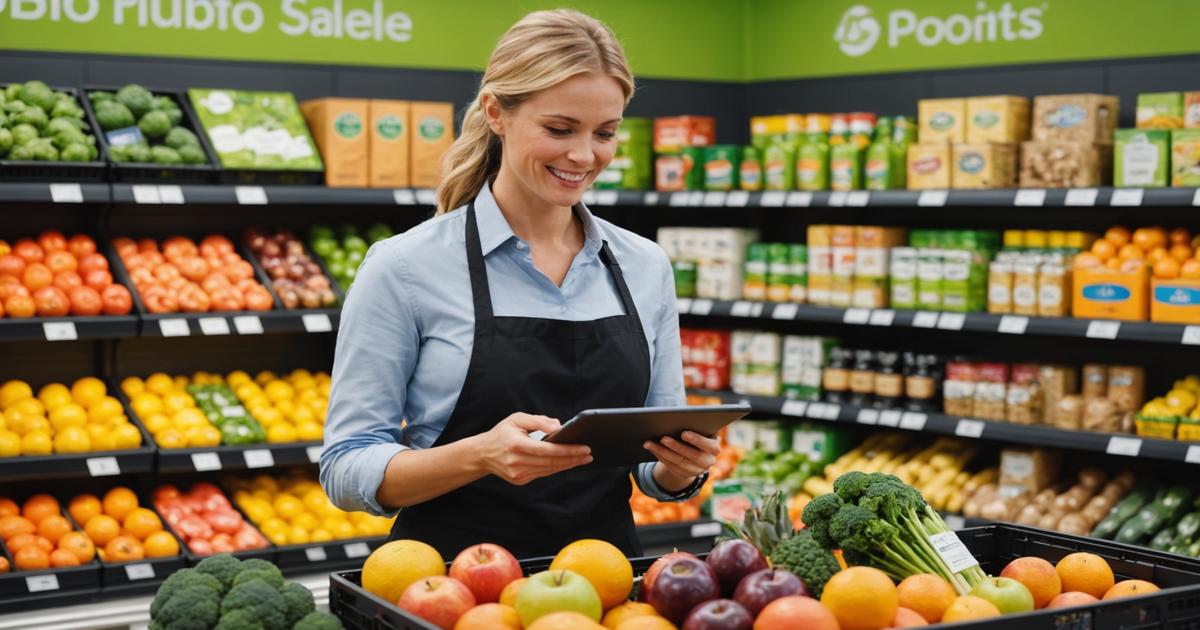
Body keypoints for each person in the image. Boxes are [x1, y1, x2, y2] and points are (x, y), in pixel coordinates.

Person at [320, 9, 718, 560]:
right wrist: (479, 455)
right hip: (452, 588)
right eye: (559, 129)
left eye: (605, 134)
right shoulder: (405, 267)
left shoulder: (644, 265)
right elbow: (345, 467)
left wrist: (681, 470)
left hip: (604, 584)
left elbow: (653, 470)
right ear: (495, 113)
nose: (583, 156)